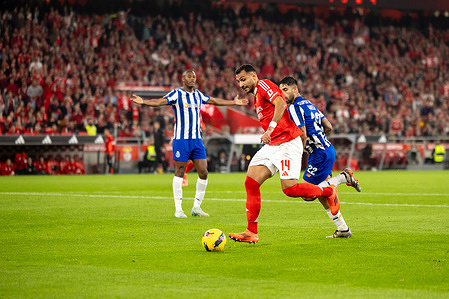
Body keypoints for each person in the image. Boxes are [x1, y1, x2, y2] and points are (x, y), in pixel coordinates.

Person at [228, 64, 337, 244]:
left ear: (254, 76)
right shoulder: (256, 96)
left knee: (290, 189)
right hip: (273, 145)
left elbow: (280, 102)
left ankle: (327, 191)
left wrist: (270, 129)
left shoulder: (263, 85)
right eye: (238, 81)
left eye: (243, 79)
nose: (241, 84)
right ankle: (251, 232)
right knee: (251, 182)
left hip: (287, 142)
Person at [131, 70, 248, 218]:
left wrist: (233, 102)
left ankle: (196, 208)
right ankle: (178, 209)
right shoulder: (176, 94)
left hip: (196, 140)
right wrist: (144, 102)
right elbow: (160, 102)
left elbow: (213, 100)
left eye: (193, 77)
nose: (192, 79)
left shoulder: (198, 94)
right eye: (189, 77)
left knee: (204, 172)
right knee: (180, 171)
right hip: (181, 139)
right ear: (183, 79)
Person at [279, 76, 361, 238]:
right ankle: (343, 229)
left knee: (306, 194)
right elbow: (328, 126)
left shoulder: (294, 108)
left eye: (285, 90)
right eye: (280, 91)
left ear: (295, 89)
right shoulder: (310, 104)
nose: (283, 94)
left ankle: (343, 177)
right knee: (324, 194)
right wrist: (318, 139)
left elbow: (302, 134)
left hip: (319, 154)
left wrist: (299, 152)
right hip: (326, 149)